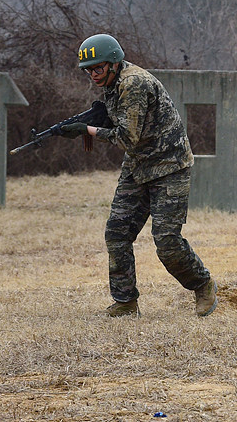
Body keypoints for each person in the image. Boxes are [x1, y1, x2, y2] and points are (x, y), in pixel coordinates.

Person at [62, 34, 217, 318]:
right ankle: (125, 302)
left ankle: (203, 285)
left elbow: (127, 138)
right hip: (138, 167)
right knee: (117, 234)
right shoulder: (112, 83)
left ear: (114, 63)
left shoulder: (134, 83)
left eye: (98, 68)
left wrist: (88, 130)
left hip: (170, 167)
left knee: (167, 241)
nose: (93, 74)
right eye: (89, 70)